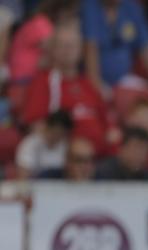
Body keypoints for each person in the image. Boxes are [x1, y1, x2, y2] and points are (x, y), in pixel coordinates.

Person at [21, 24, 110, 154]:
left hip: (99, 156)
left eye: (72, 45)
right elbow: (37, 126)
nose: (67, 50)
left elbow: (107, 125)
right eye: (62, 45)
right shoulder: (44, 81)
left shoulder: (88, 84)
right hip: (66, 157)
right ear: (52, 50)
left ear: (80, 50)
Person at [81, 0, 148, 90]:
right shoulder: (89, 6)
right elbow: (90, 50)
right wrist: (99, 88)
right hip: (96, 82)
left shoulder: (131, 7)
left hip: (125, 80)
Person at [16, 109, 73, 179]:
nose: (57, 137)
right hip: (36, 185)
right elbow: (23, 174)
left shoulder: (66, 146)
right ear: (47, 127)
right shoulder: (30, 143)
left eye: (61, 134)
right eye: (55, 133)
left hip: (59, 186)